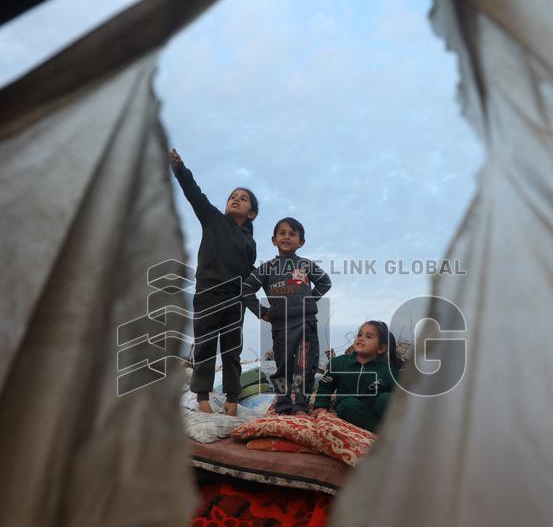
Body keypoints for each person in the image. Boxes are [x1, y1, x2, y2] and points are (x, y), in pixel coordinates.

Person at [169, 148, 257, 416]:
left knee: (232, 349)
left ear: (252, 213)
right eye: (233, 196)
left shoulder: (250, 243)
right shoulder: (213, 220)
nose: (235, 199)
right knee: (205, 346)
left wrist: (254, 302)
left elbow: (248, 274)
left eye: (242, 199)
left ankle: (232, 398)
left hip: (235, 300)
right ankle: (203, 397)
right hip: (208, 294)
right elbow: (194, 194)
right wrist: (179, 169)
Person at [242, 217, 331, 415]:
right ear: (274, 240)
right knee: (283, 367)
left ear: (301, 242)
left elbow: (325, 282)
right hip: (281, 327)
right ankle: (283, 406)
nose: (287, 237)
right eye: (282, 233)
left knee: (305, 366)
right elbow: (246, 289)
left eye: (292, 234)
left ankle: (300, 406)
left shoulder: (305, 265)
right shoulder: (266, 268)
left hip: (306, 324)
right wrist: (262, 312)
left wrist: (309, 300)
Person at [313, 320, 403, 432]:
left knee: (387, 398)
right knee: (348, 405)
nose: (360, 338)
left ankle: (397, 430)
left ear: (381, 349)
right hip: (352, 409)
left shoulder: (387, 370)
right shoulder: (339, 363)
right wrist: (321, 406)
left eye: (368, 336)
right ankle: (382, 431)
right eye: (359, 335)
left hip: (374, 407)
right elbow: (326, 386)